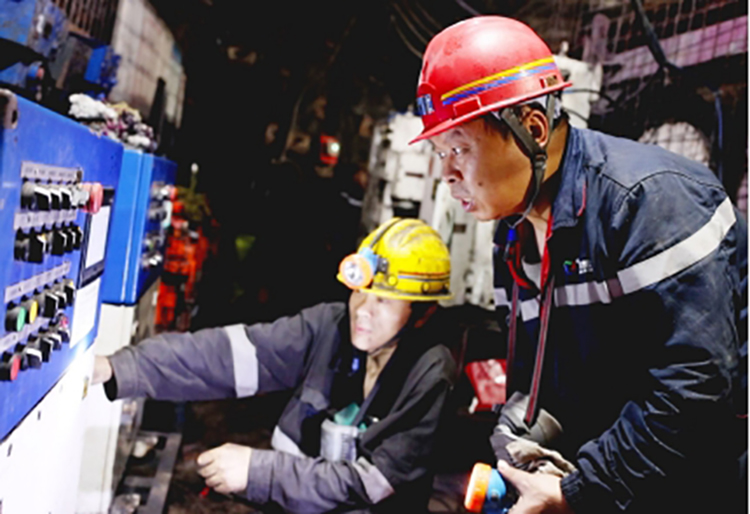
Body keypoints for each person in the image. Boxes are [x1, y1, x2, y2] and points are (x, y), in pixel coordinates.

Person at [410, 16, 747, 514]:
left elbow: (694, 385)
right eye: (440, 152)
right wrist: (519, 430)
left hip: (700, 482)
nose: (447, 173)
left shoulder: (649, 202)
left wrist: (579, 491)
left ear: (532, 128)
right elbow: (542, 373)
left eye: (458, 147)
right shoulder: (514, 236)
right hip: (614, 473)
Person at [92, 218, 456, 513]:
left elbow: (369, 485)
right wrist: (119, 367)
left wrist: (259, 472)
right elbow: (227, 357)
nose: (363, 311)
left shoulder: (429, 373)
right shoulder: (329, 328)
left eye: (385, 302)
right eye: (360, 292)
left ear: (421, 314)